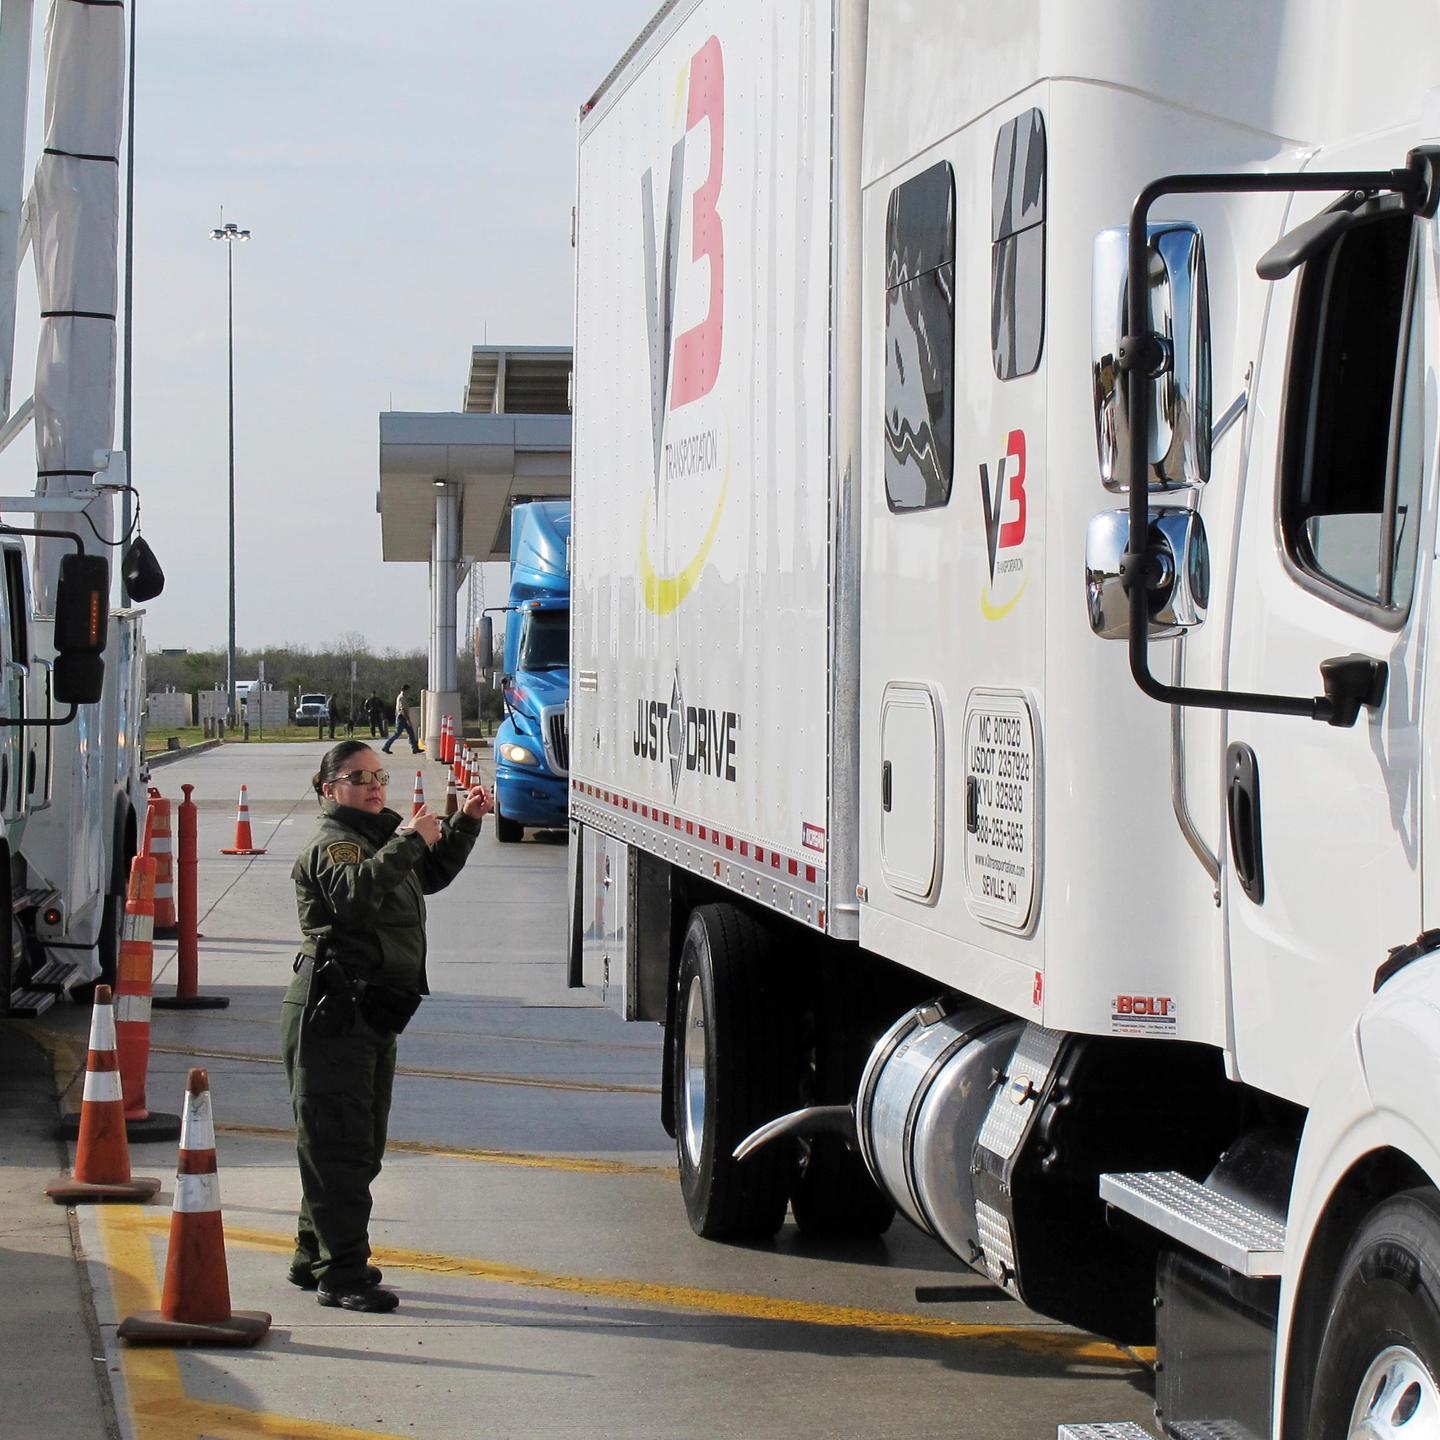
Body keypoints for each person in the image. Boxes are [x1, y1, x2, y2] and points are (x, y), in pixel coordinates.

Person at [281, 740, 493, 1312]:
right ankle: (342, 1273)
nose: (375, 786)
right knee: (340, 1145)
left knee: (355, 1142)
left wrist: (463, 826)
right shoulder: (336, 844)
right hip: (334, 1013)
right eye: (359, 778)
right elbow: (355, 897)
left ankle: (313, 1253)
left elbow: (429, 874)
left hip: (371, 1011)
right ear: (329, 789)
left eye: (379, 775)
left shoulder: (380, 835)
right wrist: (408, 841)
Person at [381, 683, 420, 754]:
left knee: (411, 733)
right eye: (408, 690)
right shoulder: (401, 697)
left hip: (403, 717)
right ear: (405, 690)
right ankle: (386, 747)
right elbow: (402, 710)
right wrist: (407, 719)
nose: (409, 692)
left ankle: (415, 748)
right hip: (402, 718)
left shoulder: (403, 697)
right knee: (397, 734)